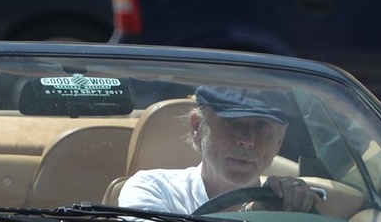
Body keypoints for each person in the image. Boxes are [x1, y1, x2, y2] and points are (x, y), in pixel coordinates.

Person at [117, 85, 325, 215]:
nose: (247, 140)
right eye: (231, 123)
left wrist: (295, 210)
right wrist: (252, 214)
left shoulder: (283, 201)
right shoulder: (154, 189)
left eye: (262, 126)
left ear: (279, 141)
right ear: (197, 128)